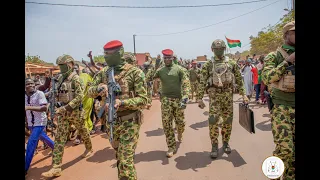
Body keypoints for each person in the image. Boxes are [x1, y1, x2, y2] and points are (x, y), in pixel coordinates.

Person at [88, 40, 148, 180]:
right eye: (105, 54)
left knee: (126, 162)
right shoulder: (104, 72)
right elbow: (89, 91)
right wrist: (99, 88)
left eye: (110, 54)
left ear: (120, 53)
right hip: (111, 124)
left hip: (130, 122)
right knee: (120, 158)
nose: (106, 57)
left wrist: (122, 102)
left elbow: (144, 100)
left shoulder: (135, 73)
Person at [42, 55, 93, 178]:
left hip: (74, 111)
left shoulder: (76, 78)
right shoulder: (59, 78)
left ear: (70, 64)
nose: (61, 68)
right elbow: (55, 92)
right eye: (59, 66)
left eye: (63, 66)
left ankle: (89, 147)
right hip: (62, 112)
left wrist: (66, 107)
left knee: (83, 131)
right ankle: (56, 167)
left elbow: (80, 96)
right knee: (59, 138)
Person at [197, 39, 248, 159]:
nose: (218, 51)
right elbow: (202, 81)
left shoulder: (231, 63)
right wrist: (199, 98)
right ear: (212, 50)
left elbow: (239, 80)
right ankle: (214, 146)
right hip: (214, 97)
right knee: (213, 120)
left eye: (220, 49)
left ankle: (225, 143)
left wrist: (243, 94)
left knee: (228, 121)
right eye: (216, 49)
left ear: (224, 49)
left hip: (228, 96)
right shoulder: (209, 64)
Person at [261, 21, 295, 180]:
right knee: (285, 150)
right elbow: (267, 77)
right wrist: (287, 62)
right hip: (282, 108)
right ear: (286, 35)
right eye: (294, 32)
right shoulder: (274, 56)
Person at [152, 49, 191, 158]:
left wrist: (185, 96)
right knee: (167, 124)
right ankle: (171, 147)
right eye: (165, 58)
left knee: (181, 122)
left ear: (173, 58)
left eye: (169, 58)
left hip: (178, 100)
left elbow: (186, 83)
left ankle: (180, 131)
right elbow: (149, 78)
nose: (167, 60)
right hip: (165, 101)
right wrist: (155, 64)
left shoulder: (180, 70)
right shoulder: (160, 70)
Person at [25, 78, 54, 177]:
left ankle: (25, 168)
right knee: (42, 137)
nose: (30, 85)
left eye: (31, 83)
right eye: (28, 84)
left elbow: (44, 108)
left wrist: (28, 107)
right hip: (30, 123)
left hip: (40, 121)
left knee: (31, 143)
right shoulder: (24, 96)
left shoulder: (39, 94)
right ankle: (56, 147)